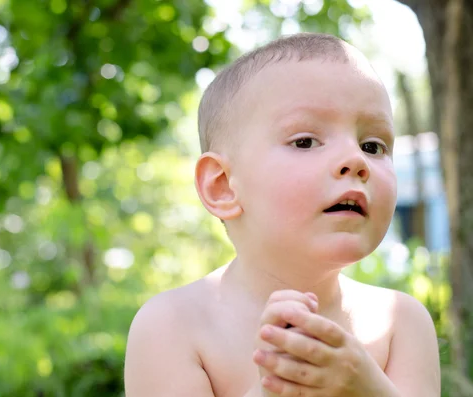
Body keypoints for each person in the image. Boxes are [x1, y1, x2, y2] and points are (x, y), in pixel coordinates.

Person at [124, 32, 440, 397]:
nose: (355, 160)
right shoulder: (172, 325)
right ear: (222, 186)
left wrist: (367, 388)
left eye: (372, 145)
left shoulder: (401, 321)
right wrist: (273, 388)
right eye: (305, 141)